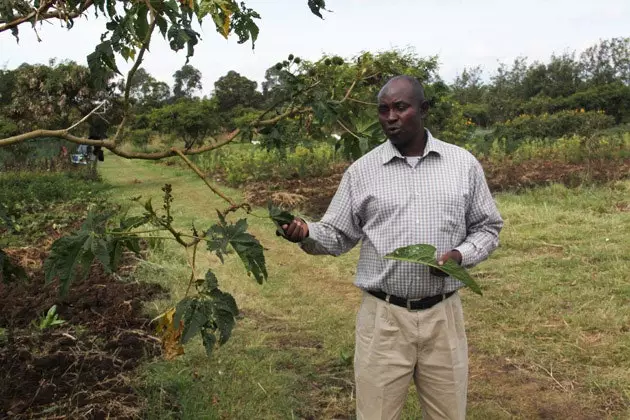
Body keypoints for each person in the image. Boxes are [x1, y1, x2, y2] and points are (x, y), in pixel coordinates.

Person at [279, 75, 504, 420]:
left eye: (401, 107)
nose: (390, 117)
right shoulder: (362, 171)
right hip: (383, 319)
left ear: (423, 109)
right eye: (383, 110)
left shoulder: (462, 165)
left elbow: (488, 226)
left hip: (443, 315)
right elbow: (338, 234)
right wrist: (306, 232)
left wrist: (459, 256)